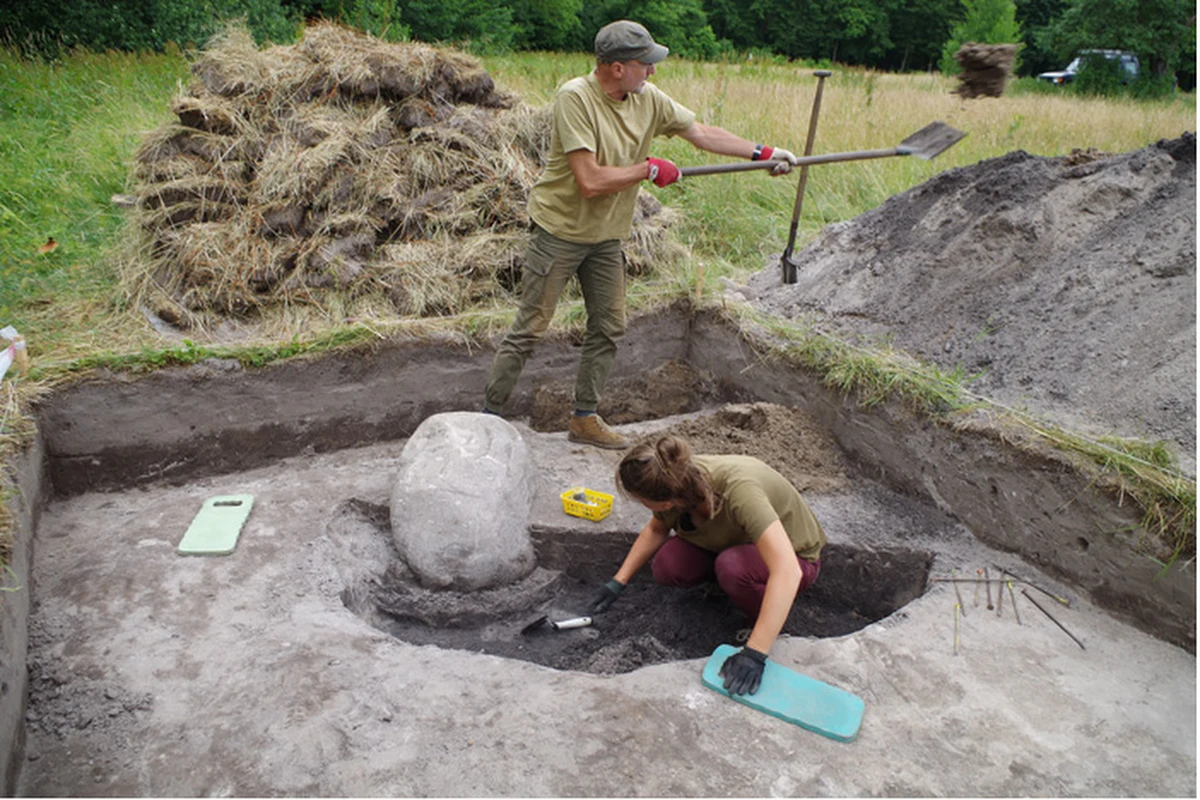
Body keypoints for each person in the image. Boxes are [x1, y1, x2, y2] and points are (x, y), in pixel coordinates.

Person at [483, 20, 800, 450]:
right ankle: (488, 418)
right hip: (559, 231)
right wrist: (647, 169)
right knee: (531, 328)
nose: (652, 71)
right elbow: (590, 181)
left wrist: (763, 153)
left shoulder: (647, 98)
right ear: (617, 68)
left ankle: (584, 419)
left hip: (606, 235)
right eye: (645, 64)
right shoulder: (576, 98)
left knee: (609, 326)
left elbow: (700, 133)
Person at [590, 434, 826, 696]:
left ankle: (759, 622)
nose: (644, 506)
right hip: (733, 545)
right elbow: (656, 530)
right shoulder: (672, 481)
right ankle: (728, 587)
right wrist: (618, 582)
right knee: (668, 565)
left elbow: (787, 570)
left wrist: (755, 653)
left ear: (665, 502)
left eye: (643, 502)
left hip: (794, 557)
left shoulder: (739, 490)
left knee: (732, 568)